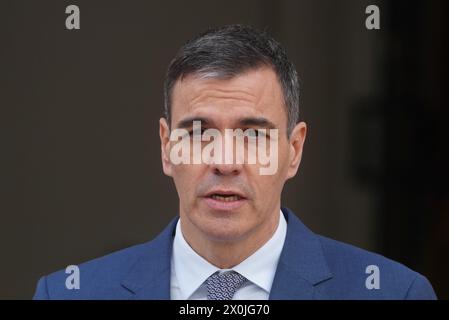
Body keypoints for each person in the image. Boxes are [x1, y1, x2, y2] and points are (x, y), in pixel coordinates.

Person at [33, 24, 436, 300]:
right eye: (198, 133)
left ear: (293, 151)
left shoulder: (392, 292)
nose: (224, 161)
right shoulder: (70, 292)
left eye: (253, 135)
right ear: (165, 147)